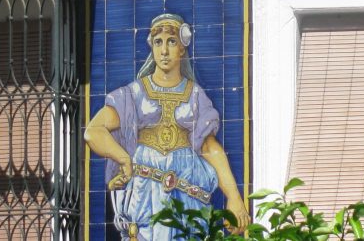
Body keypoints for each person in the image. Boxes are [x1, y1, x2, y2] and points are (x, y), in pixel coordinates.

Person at [85, 13, 250, 239]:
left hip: (186, 193)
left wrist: (234, 197)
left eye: (171, 42)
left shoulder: (196, 95)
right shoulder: (133, 94)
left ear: (182, 48)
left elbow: (209, 148)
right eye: (158, 42)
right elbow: (93, 131)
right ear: (151, 47)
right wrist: (123, 159)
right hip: (144, 194)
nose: (164, 51)